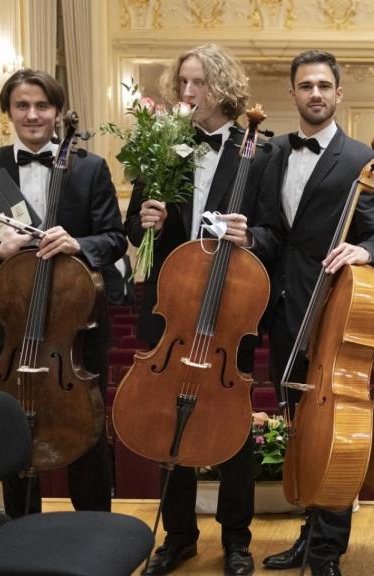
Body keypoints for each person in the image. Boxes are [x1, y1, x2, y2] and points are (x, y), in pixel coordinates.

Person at [128, 43, 277, 576]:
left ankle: (236, 539)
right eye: (183, 83)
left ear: (223, 88)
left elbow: (274, 232)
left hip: (230, 308)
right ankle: (179, 537)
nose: (188, 93)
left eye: (200, 84)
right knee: (169, 424)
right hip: (173, 306)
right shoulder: (163, 145)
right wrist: (144, 219)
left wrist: (250, 235)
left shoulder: (259, 149)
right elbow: (132, 228)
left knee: (232, 426)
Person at [0, 68, 125, 517]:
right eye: (21, 105)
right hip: (10, 325)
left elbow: (114, 238)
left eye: (42, 106)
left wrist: (78, 245)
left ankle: (94, 534)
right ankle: (20, 534)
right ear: (7, 111)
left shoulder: (90, 168)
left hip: (75, 333)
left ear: (58, 112)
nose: (32, 115)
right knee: (15, 434)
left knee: (85, 434)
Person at [260, 49, 374, 576]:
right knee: (299, 429)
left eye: (323, 85)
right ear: (293, 94)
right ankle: (306, 532)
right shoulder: (272, 155)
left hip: (336, 309)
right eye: (304, 86)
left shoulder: (361, 158)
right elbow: (276, 233)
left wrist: (366, 252)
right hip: (285, 308)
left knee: (335, 431)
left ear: (339, 94)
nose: (314, 93)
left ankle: (326, 552)